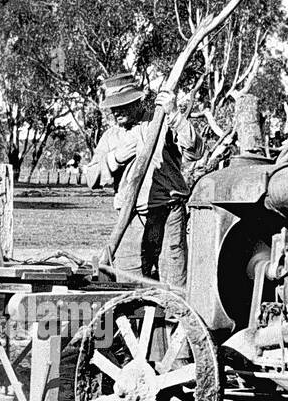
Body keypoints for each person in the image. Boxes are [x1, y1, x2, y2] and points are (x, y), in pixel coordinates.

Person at [83, 73, 203, 286]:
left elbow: (195, 152)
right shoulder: (111, 137)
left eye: (123, 105)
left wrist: (174, 114)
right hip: (131, 219)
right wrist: (115, 158)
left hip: (168, 214)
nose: (116, 111)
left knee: (175, 284)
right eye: (113, 107)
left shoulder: (161, 123)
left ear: (137, 100)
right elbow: (91, 178)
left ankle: (175, 320)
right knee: (129, 284)